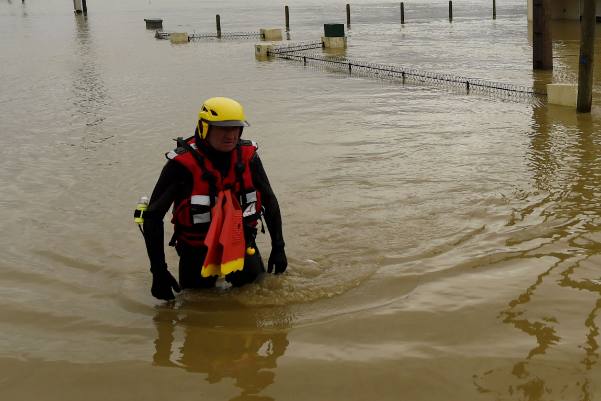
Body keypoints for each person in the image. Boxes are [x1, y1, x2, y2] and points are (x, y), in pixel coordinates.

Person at [141, 97, 287, 300]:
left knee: (258, 297)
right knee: (195, 308)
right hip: (196, 250)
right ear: (203, 127)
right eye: (222, 128)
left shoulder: (249, 156)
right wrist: (158, 271)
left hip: (241, 242)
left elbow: (270, 200)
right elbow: (153, 217)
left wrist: (278, 248)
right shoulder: (180, 165)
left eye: (236, 128)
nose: (231, 135)